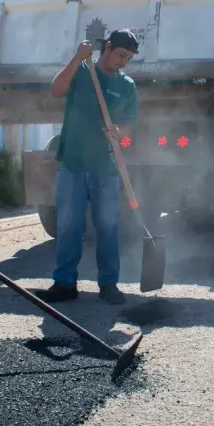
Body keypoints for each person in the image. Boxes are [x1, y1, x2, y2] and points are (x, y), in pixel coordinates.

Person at [36, 29, 139, 305]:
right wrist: (76, 58)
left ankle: (108, 284)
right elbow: (56, 90)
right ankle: (64, 284)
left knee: (108, 226)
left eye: (128, 58)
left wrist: (119, 131)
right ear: (108, 47)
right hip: (73, 163)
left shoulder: (126, 86)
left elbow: (129, 124)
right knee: (68, 225)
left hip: (106, 167)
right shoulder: (82, 71)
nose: (123, 62)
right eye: (121, 55)